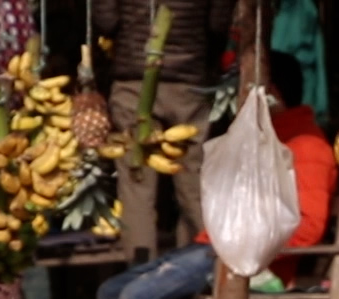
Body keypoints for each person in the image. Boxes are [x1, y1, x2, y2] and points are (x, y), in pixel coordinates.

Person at [98, 51, 338, 299]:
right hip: (213, 247)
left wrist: (244, 239)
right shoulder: (259, 139)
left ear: (272, 93)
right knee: (111, 294)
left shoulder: (307, 146)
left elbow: (308, 228)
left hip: (245, 258)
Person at [93, 0, 234, 264]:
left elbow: (106, 22)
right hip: (189, 83)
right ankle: (205, 267)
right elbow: (217, 25)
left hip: (134, 80)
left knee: (137, 187)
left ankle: (140, 272)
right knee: (193, 183)